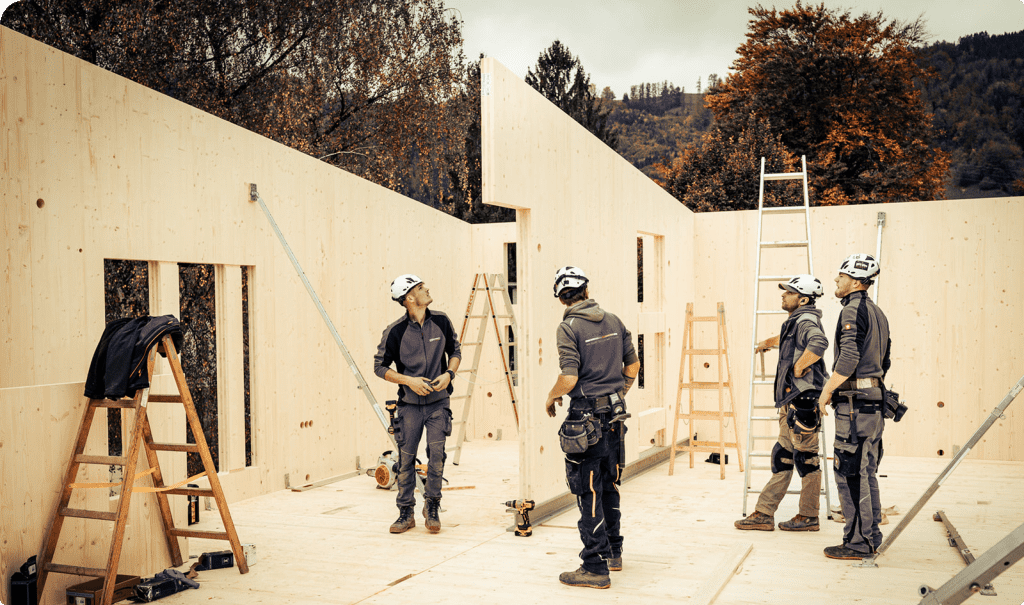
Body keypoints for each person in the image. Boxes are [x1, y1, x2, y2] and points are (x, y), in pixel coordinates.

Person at [544, 266, 640, 589]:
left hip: (585, 422)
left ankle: (594, 566)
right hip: (615, 419)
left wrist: (551, 395)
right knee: (610, 484)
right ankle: (614, 551)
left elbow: (569, 378)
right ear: (587, 290)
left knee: (589, 491)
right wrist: (617, 394)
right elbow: (634, 366)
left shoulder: (568, 327)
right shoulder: (614, 320)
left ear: (561, 298)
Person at [735, 275, 830, 533]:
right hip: (791, 403)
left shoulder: (807, 320)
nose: (783, 296)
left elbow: (819, 342)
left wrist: (800, 366)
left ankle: (809, 516)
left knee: (807, 459)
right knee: (783, 456)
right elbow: (790, 339)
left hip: (803, 403)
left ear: (803, 299)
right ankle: (764, 514)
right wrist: (768, 343)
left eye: (788, 293)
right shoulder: (796, 321)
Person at [816, 254, 891, 560]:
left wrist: (826, 392)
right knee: (867, 470)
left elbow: (848, 359)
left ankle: (858, 543)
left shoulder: (853, 308)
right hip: (872, 402)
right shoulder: (877, 311)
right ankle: (871, 535)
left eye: (841, 276)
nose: (836, 280)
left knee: (849, 473)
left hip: (855, 408)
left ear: (857, 281)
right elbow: (885, 361)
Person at [374, 274, 461, 534]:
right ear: (409, 298)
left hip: (438, 404)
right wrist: (408, 381)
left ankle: (432, 506)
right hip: (409, 406)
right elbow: (379, 367)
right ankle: (405, 513)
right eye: (422, 288)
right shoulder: (395, 331)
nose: (427, 289)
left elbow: (455, 352)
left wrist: (449, 374)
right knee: (406, 459)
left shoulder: (442, 321)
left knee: (436, 458)